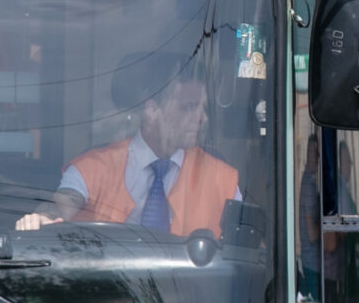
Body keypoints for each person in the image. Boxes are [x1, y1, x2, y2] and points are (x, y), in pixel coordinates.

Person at [16, 53, 239, 236]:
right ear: (152, 110)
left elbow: (248, 248)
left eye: (203, 108)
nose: (203, 118)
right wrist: (42, 218)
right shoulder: (93, 167)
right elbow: (63, 202)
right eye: (188, 108)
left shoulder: (222, 178)